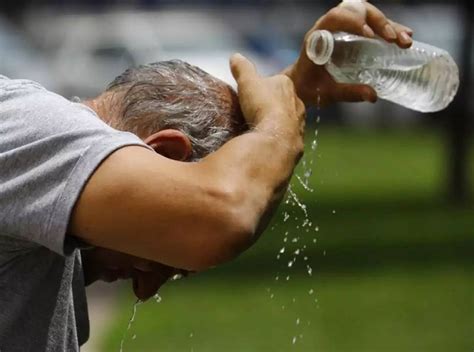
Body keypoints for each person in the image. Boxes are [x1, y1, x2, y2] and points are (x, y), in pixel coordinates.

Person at [0, 2, 413, 351]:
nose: (146, 289)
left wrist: (289, 91)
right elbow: (220, 216)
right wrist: (276, 124)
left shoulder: (37, 177)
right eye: (166, 260)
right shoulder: (27, 126)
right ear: (164, 153)